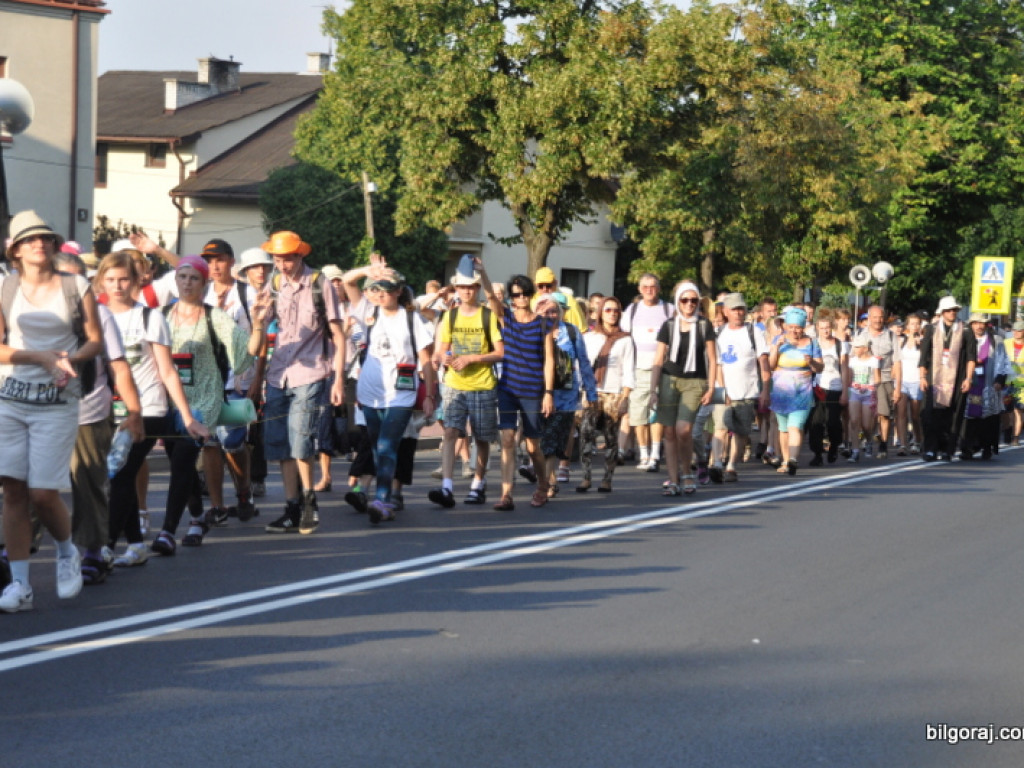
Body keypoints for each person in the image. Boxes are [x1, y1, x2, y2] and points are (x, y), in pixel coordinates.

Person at [0, 210, 104, 612]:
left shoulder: (76, 285)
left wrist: (69, 360)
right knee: (12, 490)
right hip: (10, 395)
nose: (38, 244)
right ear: (16, 251)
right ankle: (20, 584)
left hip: (57, 400)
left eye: (44, 238)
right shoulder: (6, 288)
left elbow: (95, 341)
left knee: (43, 493)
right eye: (28, 240)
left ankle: (66, 552)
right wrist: (38, 357)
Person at [97, 252, 210, 566]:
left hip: (148, 408)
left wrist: (187, 417)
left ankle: (104, 547)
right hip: (108, 411)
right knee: (124, 474)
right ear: (100, 281)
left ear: (135, 281)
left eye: (123, 279)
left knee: (120, 474)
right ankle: (135, 545)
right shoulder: (95, 316)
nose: (117, 286)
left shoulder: (150, 318)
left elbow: (168, 371)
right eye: (110, 279)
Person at [151, 256, 254, 555]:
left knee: (183, 459)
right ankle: (197, 519)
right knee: (179, 461)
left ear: (205, 282)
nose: (187, 283)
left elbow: (242, 352)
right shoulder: (161, 314)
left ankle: (168, 531)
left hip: (205, 399)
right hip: (169, 398)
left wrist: (258, 326)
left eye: (194, 278)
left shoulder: (215, 316)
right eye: (182, 277)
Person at [54, 249, 144, 585]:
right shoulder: (33, 312)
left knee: (88, 483)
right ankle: (15, 552)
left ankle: (92, 551)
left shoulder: (99, 316)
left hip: (88, 411)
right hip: (40, 409)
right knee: (34, 484)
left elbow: (119, 367)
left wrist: (134, 413)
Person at [248, 231, 346, 534]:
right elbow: (257, 343)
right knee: (279, 445)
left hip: (311, 374)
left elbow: (339, 337)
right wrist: (258, 321)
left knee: (301, 441)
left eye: (287, 258)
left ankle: (308, 502)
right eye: (277, 258)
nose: (282, 264)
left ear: (300, 255)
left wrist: (338, 380)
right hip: (279, 374)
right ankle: (291, 507)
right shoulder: (274, 284)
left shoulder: (319, 284)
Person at [344, 258, 436, 522]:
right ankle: (382, 496)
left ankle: (382, 500)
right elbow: (348, 281)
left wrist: (430, 395)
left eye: (387, 287)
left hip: (401, 394)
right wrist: (367, 271)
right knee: (376, 447)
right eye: (375, 288)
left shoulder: (412, 319)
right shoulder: (367, 312)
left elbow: (426, 360)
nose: (381, 293)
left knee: (387, 445)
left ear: (399, 291)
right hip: (369, 393)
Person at [428, 266, 504, 507]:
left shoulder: (487, 316)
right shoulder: (450, 316)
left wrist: (471, 358)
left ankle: (478, 484)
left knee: (481, 437)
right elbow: (442, 348)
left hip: (482, 384)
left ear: (477, 288)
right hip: (454, 383)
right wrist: (442, 357)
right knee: (450, 431)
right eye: (462, 286)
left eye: (471, 286)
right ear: (456, 289)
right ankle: (447, 487)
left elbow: (500, 352)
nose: (466, 291)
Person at [481, 268, 554, 510]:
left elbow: (549, 361)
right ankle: (506, 494)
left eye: (525, 294)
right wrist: (483, 272)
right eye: (516, 295)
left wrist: (549, 393)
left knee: (533, 446)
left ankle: (543, 485)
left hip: (533, 390)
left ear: (531, 295)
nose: (521, 298)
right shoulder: (506, 319)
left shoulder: (543, 324)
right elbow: (491, 297)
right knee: (507, 439)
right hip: (508, 389)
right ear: (511, 297)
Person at [199, 238, 258, 524]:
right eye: (209, 261)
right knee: (210, 444)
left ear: (231, 261)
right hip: (206, 384)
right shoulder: (200, 294)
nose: (214, 266)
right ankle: (217, 505)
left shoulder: (246, 294)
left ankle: (243, 490)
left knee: (233, 442)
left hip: (237, 381)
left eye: (219, 259)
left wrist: (257, 380)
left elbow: (261, 342)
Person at [650, 281, 717, 495]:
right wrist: (653, 390)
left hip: (695, 381)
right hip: (669, 379)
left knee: (683, 429)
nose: (689, 304)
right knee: (669, 432)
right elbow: (659, 358)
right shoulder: (669, 325)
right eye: (684, 300)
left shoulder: (705, 325)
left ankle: (687, 472)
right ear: (678, 301)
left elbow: (713, 359)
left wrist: (712, 387)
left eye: (693, 300)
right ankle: (673, 479)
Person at [535, 293, 598, 498]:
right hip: (538, 393)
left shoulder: (570, 332)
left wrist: (591, 392)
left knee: (553, 439)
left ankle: (549, 482)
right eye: (546, 312)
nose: (551, 315)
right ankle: (546, 479)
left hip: (565, 395)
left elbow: (584, 362)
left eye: (554, 311)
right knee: (540, 439)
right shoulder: (533, 332)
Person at [709, 293, 770, 482]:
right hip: (724, 390)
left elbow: (764, 363)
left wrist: (765, 390)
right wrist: (721, 388)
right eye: (734, 309)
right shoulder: (719, 333)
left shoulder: (754, 332)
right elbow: (717, 364)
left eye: (741, 309)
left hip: (747, 391)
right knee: (720, 428)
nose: (738, 313)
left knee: (741, 432)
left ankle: (731, 466)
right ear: (726, 312)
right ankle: (717, 463)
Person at [578, 296, 635, 492]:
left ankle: (607, 479)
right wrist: (582, 392)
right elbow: (582, 366)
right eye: (608, 310)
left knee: (611, 438)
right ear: (601, 312)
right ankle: (586, 477)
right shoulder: (589, 337)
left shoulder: (625, 339)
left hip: (614, 392)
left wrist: (624, 397)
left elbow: (629, 370)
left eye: (616, 310)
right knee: (586, 432)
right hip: (593, 391)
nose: (612, 314)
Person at [621, 273, 675, 473]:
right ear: (639, 289)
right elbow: (624, 339)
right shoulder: (632, 311)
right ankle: (643, 453)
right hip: (638, 368)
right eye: (645, 287)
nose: (649, 290)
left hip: (664, 369)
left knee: (657, 414)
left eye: (653, 286)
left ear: (659, 288)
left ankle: (654, 454)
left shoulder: (669, 310)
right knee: (638, 415)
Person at [236, 246, 275, 498]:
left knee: (257, 425)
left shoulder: (276, 293)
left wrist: (259, 377)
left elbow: (266, 343)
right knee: (237, 425)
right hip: (243, 368)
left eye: (264, 266)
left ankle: (257, 477)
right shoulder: (239, 295)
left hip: (270, 367)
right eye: (254, 267)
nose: (260, 271)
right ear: (246, 271)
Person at [919, 296, 975, 461]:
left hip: (957, 377)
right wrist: (922, 376)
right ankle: (930, 448)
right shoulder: (931, 329)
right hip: (934, 377)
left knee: (953, 415)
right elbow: (923, 356)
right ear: (942, 312)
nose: (952, 313)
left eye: (954, 310)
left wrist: (969, 378)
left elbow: (972, 357)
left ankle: (947, 449)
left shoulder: (965, 330)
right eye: (949, 310)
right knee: (930, 414)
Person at [768, 306, 823, 475]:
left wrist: (811, 363)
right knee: (783, 429)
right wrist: (775, 348)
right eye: (791, 327)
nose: (794, 331)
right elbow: (770, 365)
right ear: (785, 326)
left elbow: (820, 368)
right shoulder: (778, 340)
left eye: (798, 328)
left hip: (802, 392)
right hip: (781, 392)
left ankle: (793, 459)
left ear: (803, 327)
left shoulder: (812, 342)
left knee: (795, 426)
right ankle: (785, 461)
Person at [854, 305, 902, 458]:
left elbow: (897, 362)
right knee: (868, 418)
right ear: (868, 319)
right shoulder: (861, 334)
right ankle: (868, 438)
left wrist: (898, 388)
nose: (878, 320)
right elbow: (854, 357)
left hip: (885, 379)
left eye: (880, 317)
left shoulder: (890, 336)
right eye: (874, 317)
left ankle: (883, 444)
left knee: (884, 414)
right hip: (866, 380)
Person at [961, 313, 1010, 459]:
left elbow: (1003, 361)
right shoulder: (964, 340)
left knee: (988, 419)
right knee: (969, 418)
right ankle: (968, 447)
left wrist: (999, 380)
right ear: (971, 325)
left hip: (989, 385)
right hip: (969, 384)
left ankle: (987, 447)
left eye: (982, 323)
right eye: (976, 323)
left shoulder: (995, 340)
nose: (979, 326)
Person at [808, 309, 848, 465]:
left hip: (835, 387)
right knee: (816, 422)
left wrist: (845, 391)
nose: (825, 331)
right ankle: (817, 453)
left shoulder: (840, 345)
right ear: (817, 328)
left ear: (831, 327)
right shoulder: (812, 344)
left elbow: (844, 368)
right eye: (822, 327)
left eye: (827, 327)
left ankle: (834, 447)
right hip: (817, 387)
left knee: (833, 422)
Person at [895, 313, 925, 455]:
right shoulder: (901, 341)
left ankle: (917, 441)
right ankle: (902, 444)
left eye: (917, 323)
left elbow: (925, 362)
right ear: (907, 326)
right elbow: (897, 361)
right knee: (901, 414)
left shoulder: (923, 341)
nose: (915, 326)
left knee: (915, 415)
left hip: (917, 381)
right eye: (912, 324)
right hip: (902, 381)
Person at [846, 338, 880, 462]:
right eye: (853, 347)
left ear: (865, 348)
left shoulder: (874, 361)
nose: (854, 350)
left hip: (868, 394)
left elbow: (877, 379)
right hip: (855, 393)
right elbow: (849, 378)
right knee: (854, 421)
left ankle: (869, 440)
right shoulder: (852, 361)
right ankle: (855, 451)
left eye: (857, 347)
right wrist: (853, 385)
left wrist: (871, 387)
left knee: (866, 424)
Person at [1003, 319, 1024, 446]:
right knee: (1006, 410)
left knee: (1018, 410)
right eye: (1014, 330)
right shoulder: (1006, 343)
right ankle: (1008, 430)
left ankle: (1015, 437)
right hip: (1007, 382)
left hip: (1021, 384)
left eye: (1019, 331)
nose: (1016, 333)